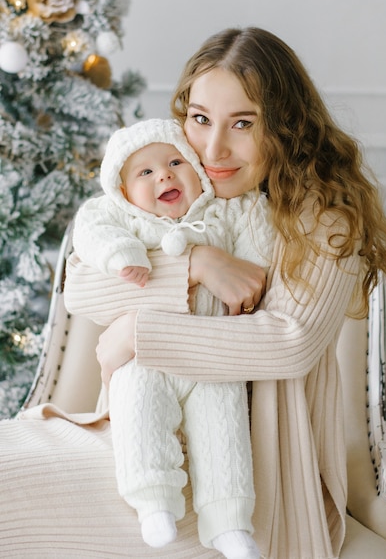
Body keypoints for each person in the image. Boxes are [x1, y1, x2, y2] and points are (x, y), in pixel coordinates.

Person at [0, 26, 386, 559]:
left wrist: (138, 331)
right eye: (201, 119)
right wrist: (194, 265)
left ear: (285, 128)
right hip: (139, 438)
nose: (213, 147)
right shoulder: (177, 194)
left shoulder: (323, 218)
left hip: (244, 480)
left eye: (243, 124)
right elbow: (84, 289)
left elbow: (287, 341)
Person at [68, 117, 273, 558]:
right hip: (143, 357)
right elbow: (90, 228)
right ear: (123, 192)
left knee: (225, 428)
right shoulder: (121, 217)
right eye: (144, 172)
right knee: (138, 408)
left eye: (175, 162)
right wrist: (121, 254)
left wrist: (254, 273)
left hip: (211, 357)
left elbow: (257, 237)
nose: (163, 174)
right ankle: (153, 500)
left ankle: (230, 522)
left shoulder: (221, 210)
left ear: (197, 172)